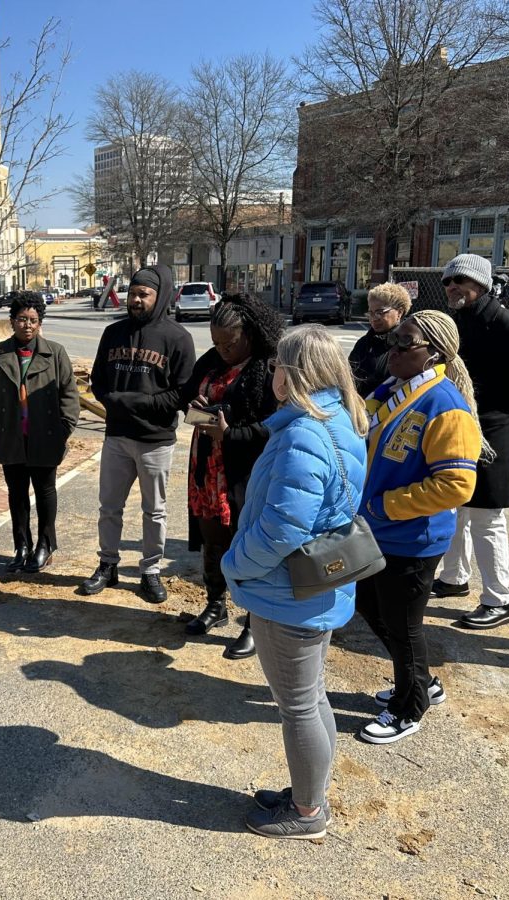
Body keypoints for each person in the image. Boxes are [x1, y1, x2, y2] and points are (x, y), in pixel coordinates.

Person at [221, 325, 368, 840]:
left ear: (294, 373)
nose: (273, 374)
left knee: (298, 705)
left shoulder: (305, 433)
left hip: (287, 595)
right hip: (311, 589)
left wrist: (234, 564)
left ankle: (306, 812)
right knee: (312, 696)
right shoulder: (337, 421)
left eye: (279, 365)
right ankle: (311, 794)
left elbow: (283, 527)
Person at [118, 293, 284, 659]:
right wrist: (193, 406)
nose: (222, 349)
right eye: (217, 342)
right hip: (207, 467)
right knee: (213, 540)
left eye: (230, 343)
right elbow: (188, 395)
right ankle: (215, 604)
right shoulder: (211, 361)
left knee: (249, 545)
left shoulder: (269, 368)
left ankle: (254, 622)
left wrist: (231, 433)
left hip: (245, 471)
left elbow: (274, 427)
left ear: (251, 334)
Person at [355, 311, 484, 743]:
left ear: (433, 354)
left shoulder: (445, 406)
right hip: (379, 530)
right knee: (372, 608)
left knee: (403, 626)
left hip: (411, 537)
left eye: (404, 343)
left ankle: (408, 707)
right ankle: (420, 682)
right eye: (394, 340)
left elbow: (456, 485)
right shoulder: (393, 390)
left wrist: (384, 506)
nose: (392, 350)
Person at [433, 253, 509, 630]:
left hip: (495, 432)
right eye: (448, 282)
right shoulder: (456, 324)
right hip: (458, 427)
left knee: (486, 518)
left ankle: (500, 600)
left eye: (461, 281)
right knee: (456, 507)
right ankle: (454, 579)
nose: (452, 287)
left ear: (481, 285)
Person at [84, 264, 196, 603]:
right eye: (132, 293)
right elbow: (98, 381)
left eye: (143, 294)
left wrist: (138, 403)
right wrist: (113, 401)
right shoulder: (113, 333)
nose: (135, 300)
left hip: (155, 440)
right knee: (109, 506)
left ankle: (150, 570)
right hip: (117, 436)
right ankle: (108, 564)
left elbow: (183, 393)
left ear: (159, 296)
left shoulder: (178, 338)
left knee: (155, 510)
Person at [0, 291, 80, 573]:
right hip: (11, 438)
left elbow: (69, 396)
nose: (27, 325)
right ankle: (21, 545)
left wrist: (62, 430)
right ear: (12, 321)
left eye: (33, 320)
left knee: (45, 492)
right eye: (22, 319)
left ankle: (45, 546)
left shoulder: (55, 353)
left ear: (40, 323)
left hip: (45, 438)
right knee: (17, 494)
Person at [349, 282, 412, 398]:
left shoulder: (408, 345)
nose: (374, 318)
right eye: (371, 313)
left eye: (380, 312)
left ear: (399, 312)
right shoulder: (363, 343)